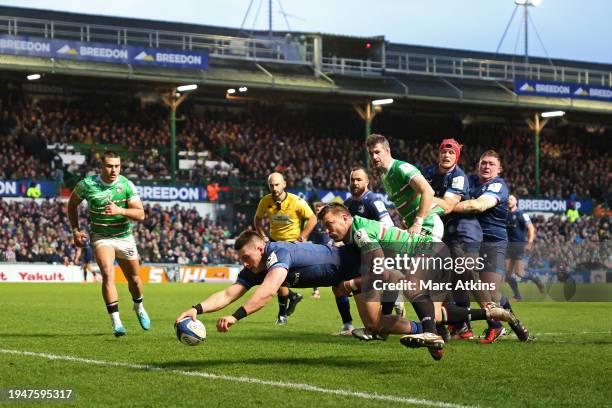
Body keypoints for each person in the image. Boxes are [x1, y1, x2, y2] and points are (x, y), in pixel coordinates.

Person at [318, 203, 519, 360]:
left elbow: (380, 271)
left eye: (329, 224)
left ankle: (430, 334)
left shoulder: (361, 232)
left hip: (428, 250)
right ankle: (490, 313)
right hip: (437, 251)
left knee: (411, 286)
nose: (327, 231)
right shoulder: (358, 232)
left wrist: (350, 285)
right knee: (436, 314)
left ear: (345, 218)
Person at [175, 231, 426, 351]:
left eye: (245, 257)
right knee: (375, 325)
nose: (243, 263)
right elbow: (229, 293)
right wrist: (196, 309)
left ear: (260, 249)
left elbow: (267, 292)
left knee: (379, 322)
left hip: (361, 265)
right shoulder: (255, 268)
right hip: (346, 277)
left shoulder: (278, 253)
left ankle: (434, 322)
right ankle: (427, 327)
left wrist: (235, 317)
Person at [68, 151, 150, 337]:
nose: (114, 170)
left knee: (135, 280)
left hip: (124, 236)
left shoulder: (126, 184)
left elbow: (141, 214)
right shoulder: (87, 185)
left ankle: (138, 307)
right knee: (107, 273)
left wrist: (119, 210)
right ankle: (116, 322)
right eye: (109, 166)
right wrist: (75, 231)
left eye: (117, 166)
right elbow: (72, 205)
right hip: (101, 237)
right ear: (101, 167)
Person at [453, 150, 530, 343]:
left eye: (491, 164)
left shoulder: (498, 186)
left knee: (492, 292)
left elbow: (480, 205)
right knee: (463, 277)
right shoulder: (468, 180)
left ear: (499, 169)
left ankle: (513, 324)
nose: (486, 166)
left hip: (493, 242)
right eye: (483, 163)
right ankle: (469, 326)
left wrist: (448, 206)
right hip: (471, 240)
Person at [422, 139, 482, 340]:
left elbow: (447, 206)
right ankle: (455, 325)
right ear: (438, 154)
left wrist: (425, 201)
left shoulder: (459, 178)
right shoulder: (427, 173)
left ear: (457, 157)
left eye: (451, 153)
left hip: (463, 233)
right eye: (444, 152)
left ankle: (495, 319)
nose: (447, 155)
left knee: (464, 277)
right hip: (442, 233)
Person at [254, 172, 317, 325]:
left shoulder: (296, 201)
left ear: (284, 184)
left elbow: (313, 218)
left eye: (277, 185)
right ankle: (292, 298)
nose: (274, 188)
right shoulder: (265, 201)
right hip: (274, 243)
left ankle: (283, 314)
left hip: (291, 245)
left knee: (278, 279)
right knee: (276, 279)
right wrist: (263, 235)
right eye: (271, 185)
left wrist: (302, 237)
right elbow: (257, 219)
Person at [506, 194, 543, 300]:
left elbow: (531, 228)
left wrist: (530, 243)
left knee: (520, 273)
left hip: (519, 246)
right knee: (507, 274)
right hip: (508, 246)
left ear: (516, 201)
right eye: (508, 199)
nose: (509, 200)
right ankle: (517, 295)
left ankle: (535, 279)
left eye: (511, 199)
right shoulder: (505, 214)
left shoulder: (521, 214)